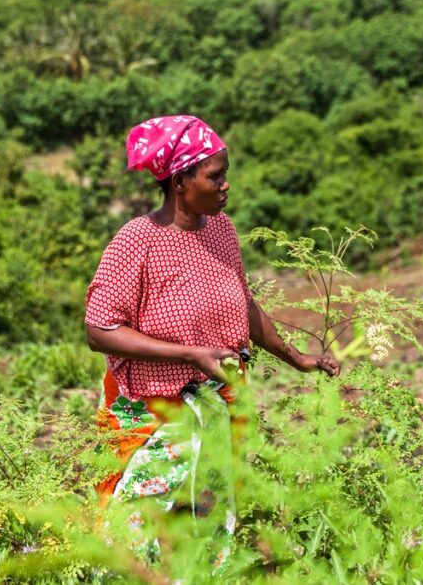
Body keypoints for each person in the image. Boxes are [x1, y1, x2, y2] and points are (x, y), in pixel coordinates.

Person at [84, 115, 339, 560]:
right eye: (215, 176)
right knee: (134, 537)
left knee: (201, 528)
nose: (225, 186)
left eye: (226, 176)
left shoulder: (222, 230)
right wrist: (188, 353)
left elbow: (244, 304)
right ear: (180, 180)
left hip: (218, 403)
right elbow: (99, 329)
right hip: (156, 413)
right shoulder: (137, 241)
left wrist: (296, 357)